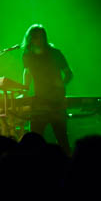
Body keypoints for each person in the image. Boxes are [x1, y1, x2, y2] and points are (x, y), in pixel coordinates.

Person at [20, 24, 73, 153]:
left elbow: (69, 74)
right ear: (30, 39)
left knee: (62, 140)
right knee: (34, 141)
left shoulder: (55, 53)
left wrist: (61, 85)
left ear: (44, 38)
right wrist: (24, 91)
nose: (38, 40)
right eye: (35, 38)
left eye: (41, 37)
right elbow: (27, 73)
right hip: (39, 103)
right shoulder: (28, 55)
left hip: (57, 102)